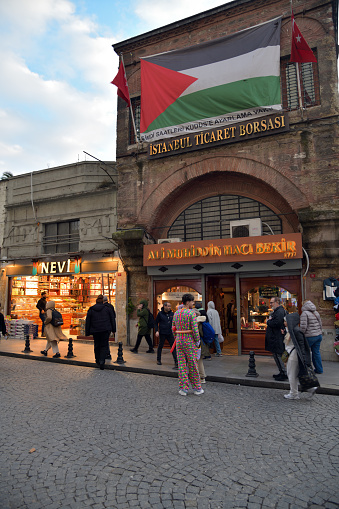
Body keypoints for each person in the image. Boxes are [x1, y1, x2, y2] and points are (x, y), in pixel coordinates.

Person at [173, 293, 204, 396]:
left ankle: (183, 389)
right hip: (189, 341)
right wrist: (197, 340)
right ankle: (197, 388)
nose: (193, 303)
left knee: (182, 365)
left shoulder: (176, 313)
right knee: (193, 364)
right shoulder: (191, 313)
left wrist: (176, 337)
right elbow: (195, 330)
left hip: (179, 340)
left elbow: (173, 328)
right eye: (192, 301)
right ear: (187, 302)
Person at [283, 312, 317, 400]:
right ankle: (311, 388)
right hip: (293, 354)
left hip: (294, 355)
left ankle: (294, 393)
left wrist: (303, 357)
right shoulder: (291, 330)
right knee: (297, 374)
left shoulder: (296, 331)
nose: (284, 323)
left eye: (285, 321)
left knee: (291, 374)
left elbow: (302, 345)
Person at [85, 294, 116, 369]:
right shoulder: (107, 309)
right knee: (104, 345)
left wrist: (87, 332)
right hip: (105, 330)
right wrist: (113, 330)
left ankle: (97, 360)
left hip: (95, 330)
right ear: (102, 301)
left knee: (97, 345)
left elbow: (88, 321)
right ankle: (102, 361)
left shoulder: (91, 309)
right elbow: (112, 319)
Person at [265, 297, 287, 381]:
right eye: (270, 303)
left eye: (272, 302)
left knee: (278, 355)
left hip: (277, 337)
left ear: (277, 302)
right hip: (275, 337)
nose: (270, 304)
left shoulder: (279, 311)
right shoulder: (277, 311)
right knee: (276, 355)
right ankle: (281, 372)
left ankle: (283, 373)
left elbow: (276, 323)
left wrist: (268, 321)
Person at [299, 300, 323, 374]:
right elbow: (320, 324)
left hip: (309, 336)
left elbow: (303, 327)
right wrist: (319, 332)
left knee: (306, 353)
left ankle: (306, 370)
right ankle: (319, 369)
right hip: (318, 335)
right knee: (316, 353)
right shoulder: (315, 312)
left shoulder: (304, 313)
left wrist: (301, 334)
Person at [154, 301, 178, 368]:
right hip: (162, 333)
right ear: (164, 306)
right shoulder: (160, 314)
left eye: (170, 306)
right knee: (160, 346)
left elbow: (175, 322)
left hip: (170, 333)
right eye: (168, 306)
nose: (169, 307)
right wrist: (156, 331)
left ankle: (176, 361)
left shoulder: (172, 314)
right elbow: (156, 323)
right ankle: (158, 360)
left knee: (173, 347)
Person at [103, 295, 116, 359]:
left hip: (104, 326)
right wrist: (114, 329)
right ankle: (107, 354)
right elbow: (113, 317)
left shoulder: (103, 307)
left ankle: (107, 354)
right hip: (109, 326)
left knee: (104, 341)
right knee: (106, 340)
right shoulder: (111, 306)